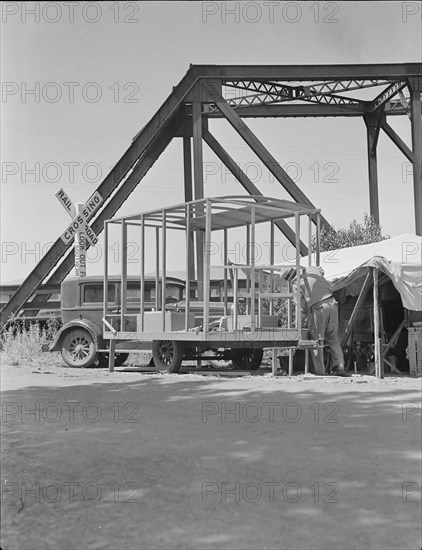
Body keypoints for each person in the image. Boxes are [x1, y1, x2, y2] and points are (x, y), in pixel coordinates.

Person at [281, 266, 348, 376]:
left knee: (316, 340)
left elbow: (300, 304)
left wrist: (300, 320)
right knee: (333, 339)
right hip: (333, 304)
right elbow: (322, 270)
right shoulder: (311, 270)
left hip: (319, 308)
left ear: (288, 279)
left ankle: (319, 371)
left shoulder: (295, 283)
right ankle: (340, 366)